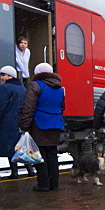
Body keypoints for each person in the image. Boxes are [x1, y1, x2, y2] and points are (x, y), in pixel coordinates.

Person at [17, 62, 65, 192]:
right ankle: (54, 184)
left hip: (40, 123)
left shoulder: (36, 85)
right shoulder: (59, 88)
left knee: (40, 155)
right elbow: (62, 107)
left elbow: (29, 108)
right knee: (52, 154)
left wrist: (25, 126)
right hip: (55, 123)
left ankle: (43, 184)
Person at [0, 66, 31, 179]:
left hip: (7, 122)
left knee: (10, 148)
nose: (2, 78)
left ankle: (14, 172)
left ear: (10, 76)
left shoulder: (5, 88)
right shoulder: (22, 88)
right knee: (21, 147)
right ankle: (30, 169)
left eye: (4, 75)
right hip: (20, 121)